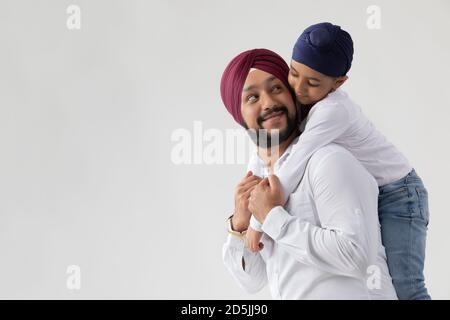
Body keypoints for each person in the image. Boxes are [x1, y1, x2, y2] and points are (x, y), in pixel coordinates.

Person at [244, 23, 431, 300]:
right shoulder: (308, 103)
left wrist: (260, 220)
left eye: (313, 82)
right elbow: (272, 153)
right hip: (380, 190)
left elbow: (294, 163)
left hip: (401, 195)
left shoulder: (332, 110)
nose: (298, 88)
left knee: (407, 286)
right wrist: (254, 176)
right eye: (294, 74)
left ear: (338, 82)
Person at [220, 48, 397, 299]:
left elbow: (357, 257)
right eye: (252, 98)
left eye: (276, 88)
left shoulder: (328, 161)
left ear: (293, 96)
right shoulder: (260, 182)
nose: (269, 103)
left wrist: (272, 217)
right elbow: (253, 281)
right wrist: (240, 225)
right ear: (238, 116)